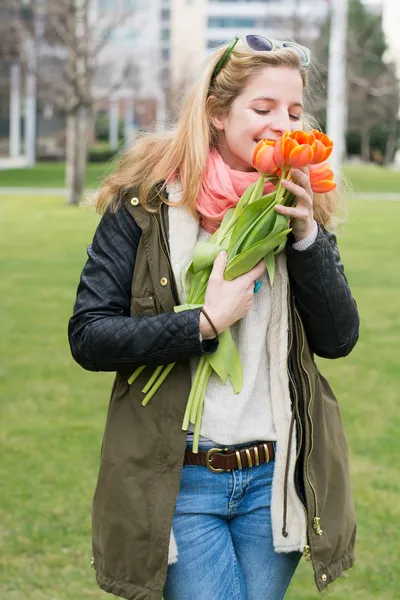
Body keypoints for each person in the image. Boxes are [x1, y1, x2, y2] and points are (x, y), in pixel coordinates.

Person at [68, 34, 359, 600]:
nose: (283, 125)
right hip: (178, 480)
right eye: (264, 108)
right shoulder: (147, 204)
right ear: (218, 113)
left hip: (273, 482)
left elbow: (340, 338)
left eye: (295, 112)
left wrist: (307, 237)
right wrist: (202, 323)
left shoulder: (295, 203)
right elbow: (89, 335)